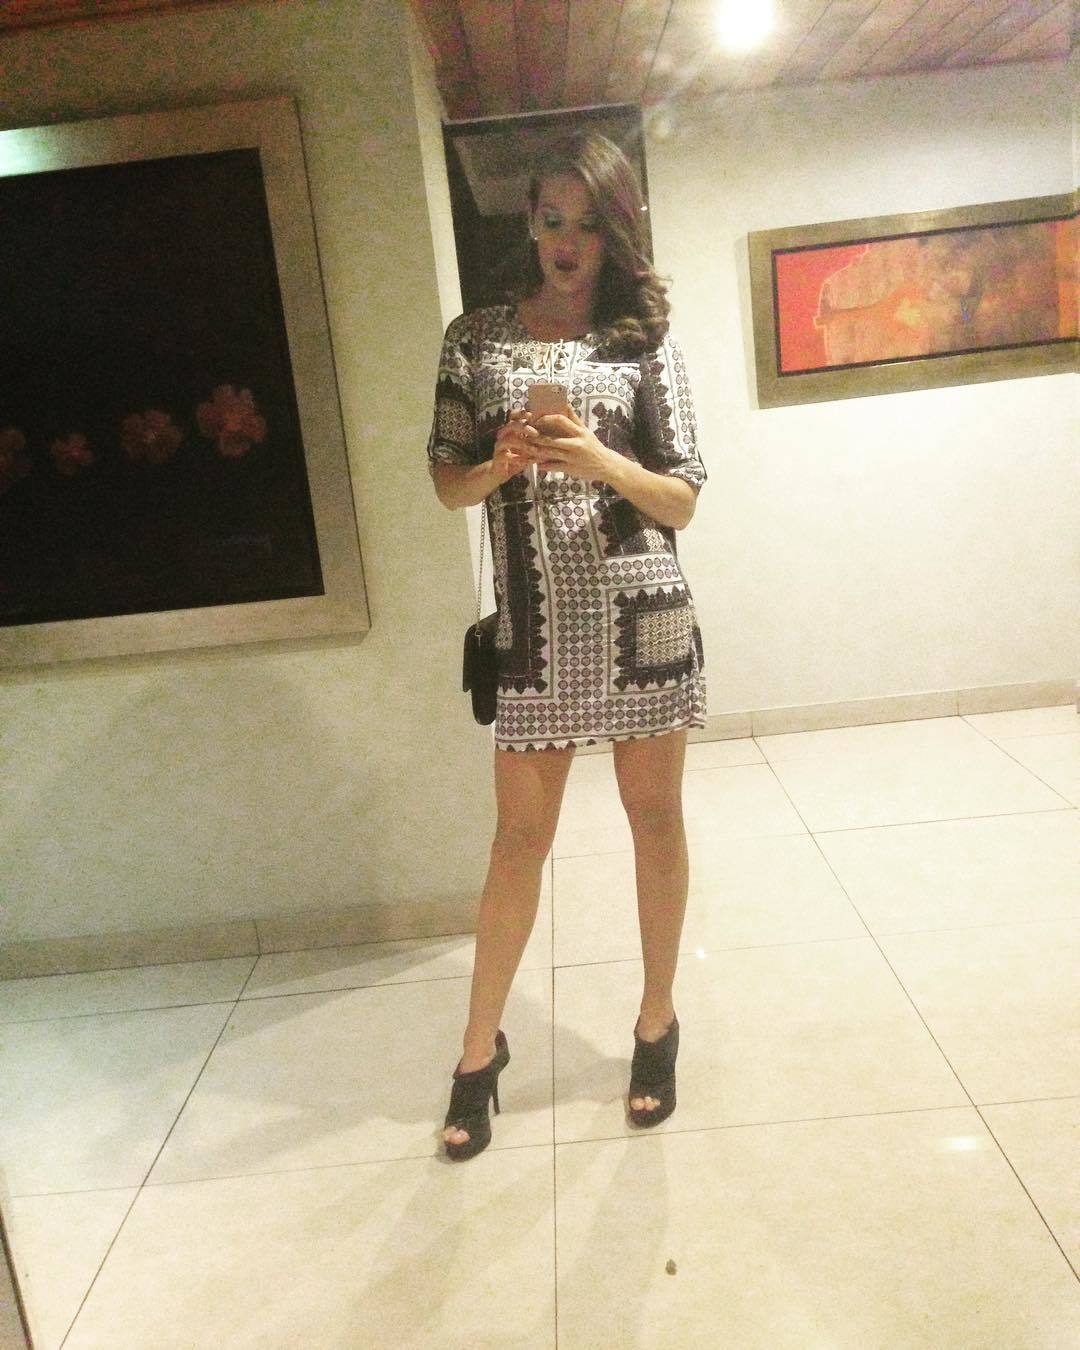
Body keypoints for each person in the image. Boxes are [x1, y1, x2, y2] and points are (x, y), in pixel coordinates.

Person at [427, 131, 706, 1161]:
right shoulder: (476, 340)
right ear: (529, 222)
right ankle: (477, 1049)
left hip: (643, 615)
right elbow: (447, 484)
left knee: (654, 820)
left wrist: (600, 460)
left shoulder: (645, 342)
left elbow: (683, 498)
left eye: (589, 224)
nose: (568, 243)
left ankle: (656, 1021)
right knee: (517, 841)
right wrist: (501, 465)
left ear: (615, 232)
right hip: (535, 628)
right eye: (553, 220)